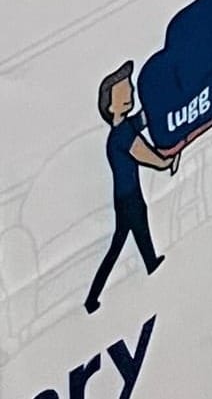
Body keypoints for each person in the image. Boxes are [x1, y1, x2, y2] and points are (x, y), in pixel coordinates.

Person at [85, 62, 176, 313]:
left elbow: (145, 118)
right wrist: (165, 161)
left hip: (126, 196)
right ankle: (149, 266)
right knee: (124, 240)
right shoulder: (121, 136)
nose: (131, 91)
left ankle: (150, 264)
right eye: (125, 90)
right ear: (112, 105)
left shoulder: (125, 128)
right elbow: (145, 154)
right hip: (128, 197)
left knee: (125, 239)